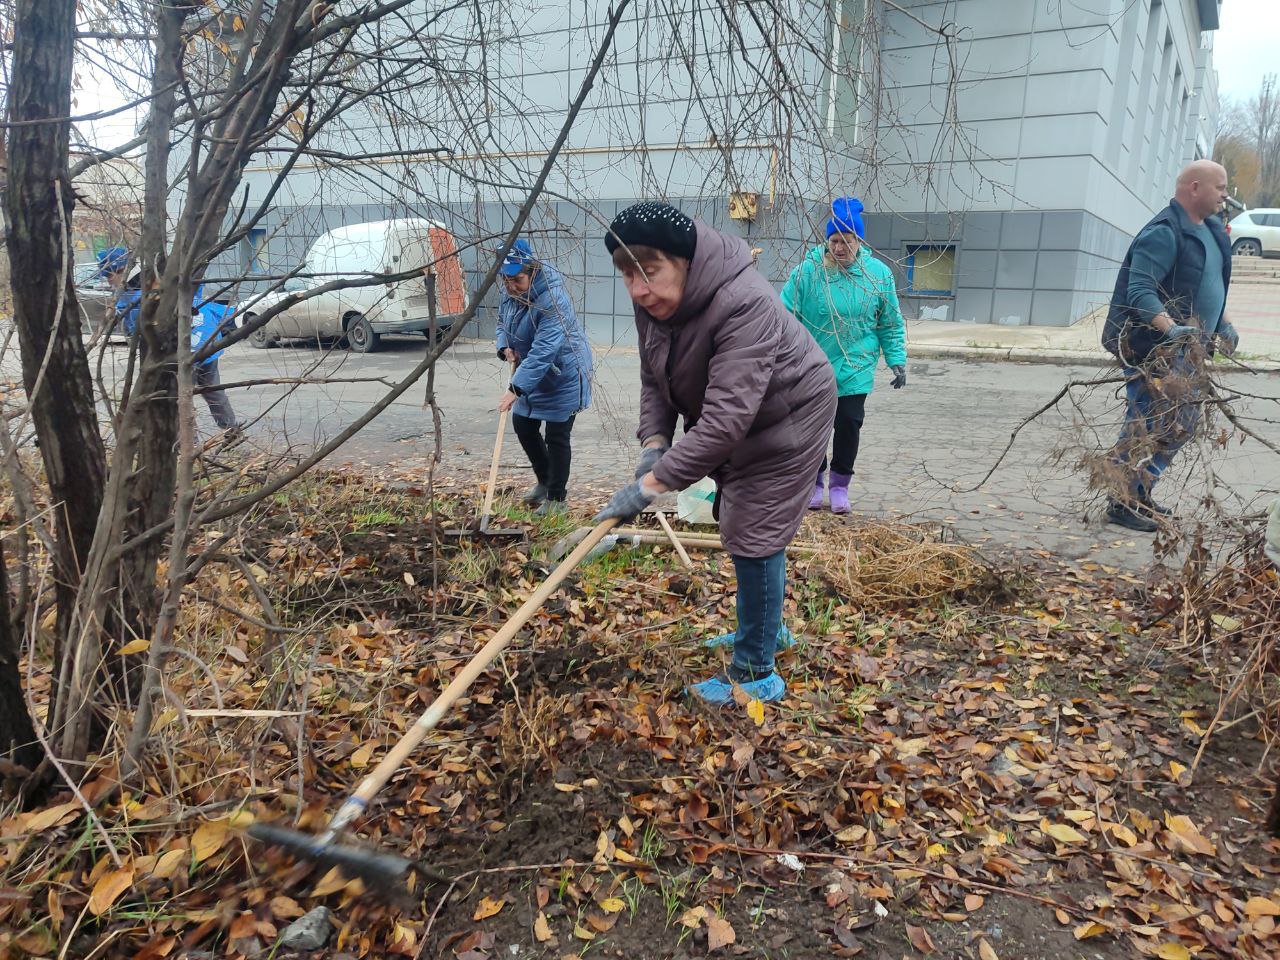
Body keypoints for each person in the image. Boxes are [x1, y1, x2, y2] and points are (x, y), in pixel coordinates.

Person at [594, 202, 837, 705]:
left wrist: (650, 486)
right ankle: (767, 630)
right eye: (626, 276)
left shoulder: (743, 301)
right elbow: (653, 379)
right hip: (746, 418)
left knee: (753, 531)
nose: (639, 290)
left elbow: (726, 421)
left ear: (685, 260)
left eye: (650, 271)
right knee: (746, 525)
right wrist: (653, 444)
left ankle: (755, 672)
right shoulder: (657, 304)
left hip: (790, 418)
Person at [1102, 160, 1239, 532]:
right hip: (1152, 349)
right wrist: (1170, 328)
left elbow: (1210, 282)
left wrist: (1223, 323)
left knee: (1183, 423)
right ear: (1195, 188)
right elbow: (1140, 291)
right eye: (1220, 186)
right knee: (1142, 423)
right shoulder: (1163, 233)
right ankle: (1119, 501)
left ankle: (1140, 490)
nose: (1226, 194)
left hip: (1189, 351)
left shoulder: (1211, 229)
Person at [780, 197, 907, 513]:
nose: (839, 248)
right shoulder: (808, 272)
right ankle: (813, 483)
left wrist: (896, 359)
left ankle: (839, 486)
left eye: (846, 241)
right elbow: (783, 315)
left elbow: (889, 321)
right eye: (834, 240)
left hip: (856, 365)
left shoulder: (878, 274)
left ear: (858, 240)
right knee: (811, 428)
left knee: (849, 424)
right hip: (812, 366)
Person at [495, 238, 593, 515]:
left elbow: (544, 350)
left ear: (532, 271)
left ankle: (557, 498)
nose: (512, 286)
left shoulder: (552, 300)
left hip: (563, 373)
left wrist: (515, 389)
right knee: (523, 424)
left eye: (518, 279)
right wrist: (504, 347)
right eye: (506, 280)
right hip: (530, 371)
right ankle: (544, 481)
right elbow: (502, 321)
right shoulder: (510, 292)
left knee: (557, 436)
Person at [104, 248, 241, 433]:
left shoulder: (133, 299)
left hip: (185, 353)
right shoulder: (180, 287)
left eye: (109, 275)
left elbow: (134, 328)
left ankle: (190, 441)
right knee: (212, 392)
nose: (108, 281)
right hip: (204, 347)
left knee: (182, 399)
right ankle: (229, 429)